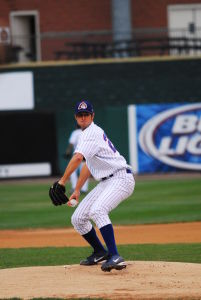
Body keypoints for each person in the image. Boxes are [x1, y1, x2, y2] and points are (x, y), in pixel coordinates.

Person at [58, 100, 135, 272]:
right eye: (80, 115)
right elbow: (87, 165)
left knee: (98, 210)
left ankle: (115, 256)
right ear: (76, 117)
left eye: (86, 115)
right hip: (107, 181)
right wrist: (77, 189)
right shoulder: (84, 134)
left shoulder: (91, 132)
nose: (83, 117)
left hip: (121, 178)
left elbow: (78, 159)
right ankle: (100, 251)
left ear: (92, 116)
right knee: (78, 218)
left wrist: (62, 181)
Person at [64, 126, 89, 194]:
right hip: (86, 155)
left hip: (77, 155)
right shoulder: (87, 132)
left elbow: (71, 143)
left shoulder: (75, 132)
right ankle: (84, 189)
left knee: (72, 171)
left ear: (76, 127)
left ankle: (75, 187)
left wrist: (67, 151)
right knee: (84, 172)